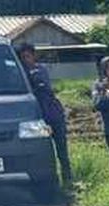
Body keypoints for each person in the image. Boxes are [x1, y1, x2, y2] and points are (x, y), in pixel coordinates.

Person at [16, 43, 72, 187]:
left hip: (53, 115)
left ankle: (68, 178)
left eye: (28, 56)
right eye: (22, 58)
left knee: (62, 148)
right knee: (42, 149)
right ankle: (49, 180)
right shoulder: (20, 74)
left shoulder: (41, 70)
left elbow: (43, 86)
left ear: (34, 56)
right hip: (38, 118)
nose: (26, 60)